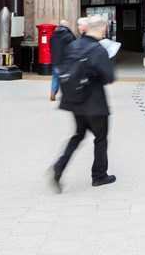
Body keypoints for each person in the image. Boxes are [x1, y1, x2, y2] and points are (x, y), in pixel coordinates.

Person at [49, 15, 115, 190]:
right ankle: (99, 175)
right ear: (101, 28)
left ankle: (60, 165)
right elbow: (109, 77)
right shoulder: (98, 49)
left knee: (78, 136)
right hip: (94, 104)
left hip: (74, 101)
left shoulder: (74, 45)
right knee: (100, 139)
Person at [48, 19, 75, 102]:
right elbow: (73, 48)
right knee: (67, 78)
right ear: (66, 26)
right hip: (65, 61)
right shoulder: (69, 35)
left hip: (55, 60)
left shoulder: (53, 34)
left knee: (55, 77)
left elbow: (50, 46)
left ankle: (53, 91)